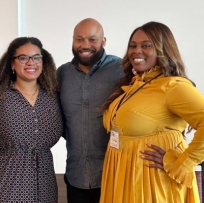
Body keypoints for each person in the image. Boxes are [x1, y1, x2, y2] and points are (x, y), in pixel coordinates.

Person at [100, 21, 204, 203]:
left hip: (152, 178)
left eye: (146, 46)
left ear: (163, 49)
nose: (137, 51)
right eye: (133, 46)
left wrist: (184, 162)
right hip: (122, 170)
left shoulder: (173, 86)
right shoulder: (135, 85)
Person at [0, 37, 63, 203]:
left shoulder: (54, 96)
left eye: (36, 57)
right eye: (23, 58)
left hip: (45, 182)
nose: (31, 62)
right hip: (9, 180)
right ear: (12, 64)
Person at [57, 18, 123, 203]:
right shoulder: (62, 74)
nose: (85, 45)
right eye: (80, 39)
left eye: (92, 39)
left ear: (103, 41)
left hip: (115, 175)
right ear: (73, 40)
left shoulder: (122, 70)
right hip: (75, 175)